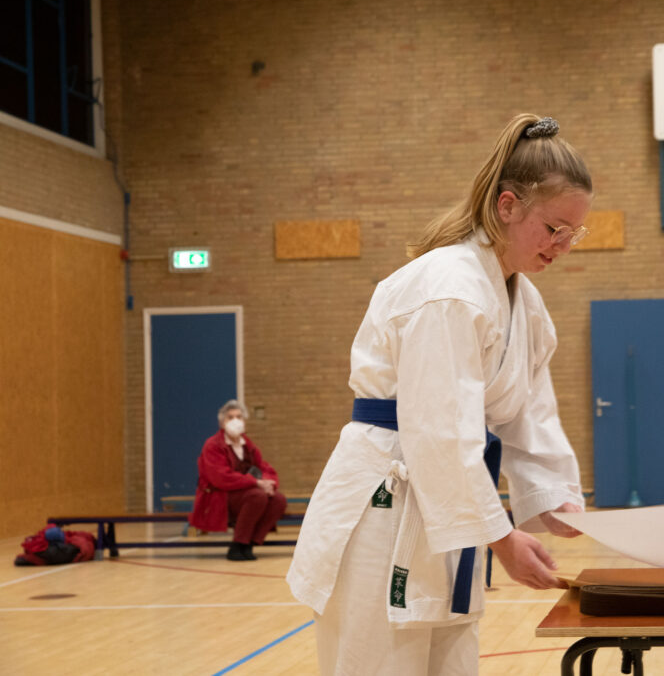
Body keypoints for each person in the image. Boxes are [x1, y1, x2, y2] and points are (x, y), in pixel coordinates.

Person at [287, 113, 590, 675]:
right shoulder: (449, 289)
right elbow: (438, 431)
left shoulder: (525, 305)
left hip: (449, 521)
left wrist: (554, 497)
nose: (564, 244)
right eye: (554, 228)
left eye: (575, 232)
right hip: (385, 509)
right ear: (507, 206)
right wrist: (502, 537)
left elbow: (528, 415)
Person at [189, 400, 287, 561]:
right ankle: (237, 544)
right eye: (230, 417)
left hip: (246, 495)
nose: (235, 420)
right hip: (220, 497)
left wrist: (269, 483)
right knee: (257, 496)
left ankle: (250, 543)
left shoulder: (247, 445)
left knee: (278, 500)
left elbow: (264, 467)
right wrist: (256, 483)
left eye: (239, 416)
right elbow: (221, 477)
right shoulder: (213, 445)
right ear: (222, 422)